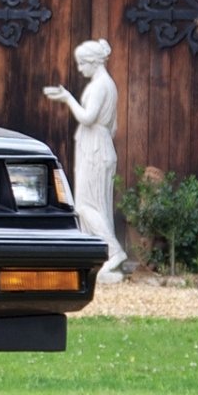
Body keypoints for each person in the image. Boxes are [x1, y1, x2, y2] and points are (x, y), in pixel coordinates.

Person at [43, 38, 126, 282]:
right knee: (95, 205)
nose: (79, 69)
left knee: (86, 205)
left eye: (81, 64)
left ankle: (114, 251)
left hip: (95, 149)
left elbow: (88, 118)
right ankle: (100, 253)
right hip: (97, 145)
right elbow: (114, 125)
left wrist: (68, 99)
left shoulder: (101, 85)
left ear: (92, 62)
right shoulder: (104, 84)